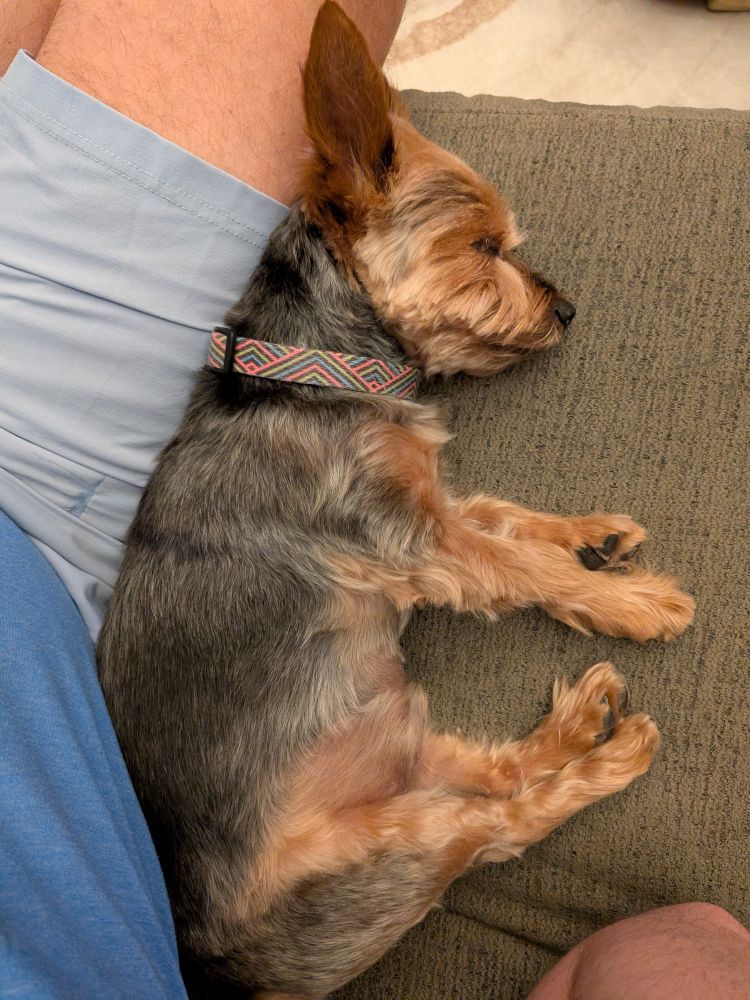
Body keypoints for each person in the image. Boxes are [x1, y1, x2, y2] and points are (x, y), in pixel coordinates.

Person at [0, 3, 748, 997]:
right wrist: (587, 587)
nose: (526, 285)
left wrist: (549, 538)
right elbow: (422, 545)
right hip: (76, 589)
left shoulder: (304, 425)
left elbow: (405, 526)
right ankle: (542, 781)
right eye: (487, 251)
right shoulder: (302, 429)